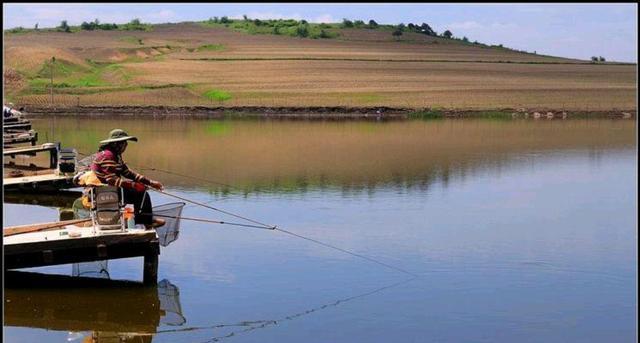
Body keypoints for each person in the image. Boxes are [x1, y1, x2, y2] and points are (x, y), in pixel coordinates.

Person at [90, 129, 165, 229]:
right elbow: (112, 180)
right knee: (142, 194)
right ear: (117, 144)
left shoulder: (115, 155)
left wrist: (150, 182)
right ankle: (145, 221)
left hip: (111, 189)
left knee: (140, 189)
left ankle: (142, 218)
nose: (126, 145)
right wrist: (134, 185)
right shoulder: (108, 156)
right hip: (105, 191)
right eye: (124, 143)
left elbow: (128, 173)